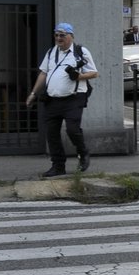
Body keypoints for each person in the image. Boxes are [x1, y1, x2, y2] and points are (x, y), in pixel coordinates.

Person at [25, 22, 98, 177]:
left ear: (71, 36)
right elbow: (43, 73)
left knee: (72, 129)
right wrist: (33, 93)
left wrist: (79, 76)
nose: (59, 38)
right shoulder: (51, 52)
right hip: (53, 99)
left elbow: (93, 73)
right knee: (51, 133)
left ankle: (83, 152)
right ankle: (58, 166)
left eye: (62, 35)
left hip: (74, 98)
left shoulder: (80, 52)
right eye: (56, 35)